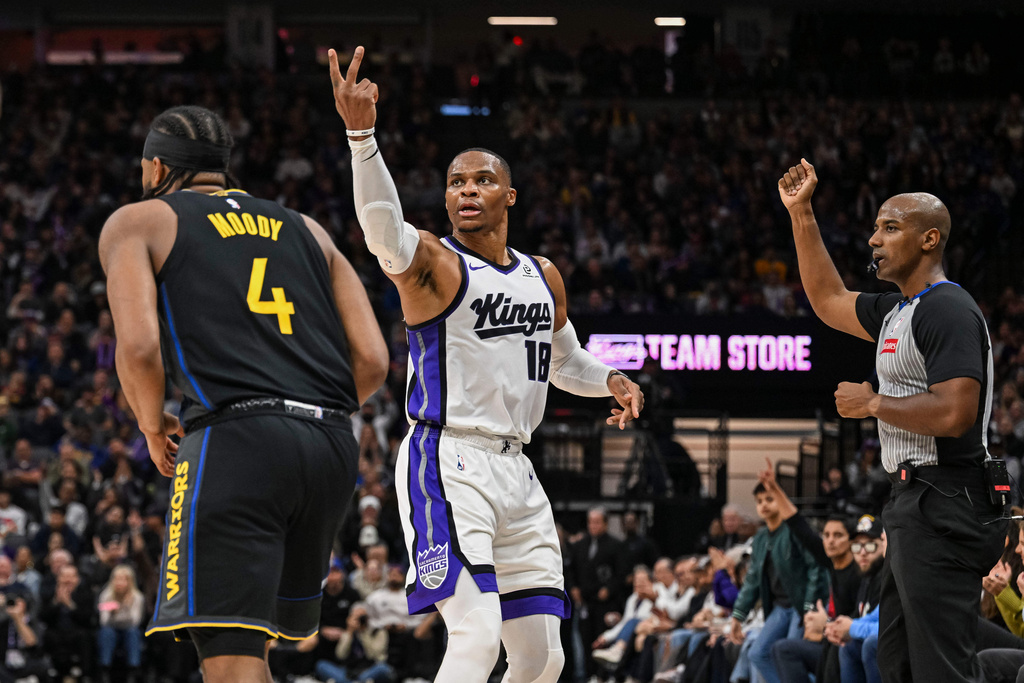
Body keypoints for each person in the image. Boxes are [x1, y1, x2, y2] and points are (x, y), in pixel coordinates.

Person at [328, 46, 645, 683]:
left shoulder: (542, 274)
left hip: (519, 471)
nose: (468, 190)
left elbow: (564, 361)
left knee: (541, 656)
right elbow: (381, 229)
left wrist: (609, 378)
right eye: (456, 182)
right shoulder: (435, 265)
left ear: (511, 195)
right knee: (474, 636)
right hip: (448, 459)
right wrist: (362, 137)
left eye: (482, 181)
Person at [98, 104, 389, 682]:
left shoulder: (139, 221)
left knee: (229, 661)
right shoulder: (308, 229)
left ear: (157, 168)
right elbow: (375, 360)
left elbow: (137, 350)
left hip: (238, 441)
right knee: (259, 649)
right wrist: (306, 415)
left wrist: (152, 426)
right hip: (330, 443)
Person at [779, 158, 1004, 682]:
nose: (874, 240)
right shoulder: (899, 309)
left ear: (929, 240)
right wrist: (802, 213)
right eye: (876, 228)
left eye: (890, 228)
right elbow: (827, 299)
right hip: (912, 502)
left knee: (940, 670)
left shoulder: (947, 309)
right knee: (898, 665)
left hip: (948, 500)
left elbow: (956, 412)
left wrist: (874, 404)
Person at [727, 480, 827, 683]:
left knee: (791, 652)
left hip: (801, 606)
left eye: (769, 499)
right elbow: (753, 579)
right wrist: (738, 615)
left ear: (781, 501)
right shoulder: (761, 538)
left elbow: (816, 568)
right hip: (780, 607)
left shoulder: (794, 531)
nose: (764, 504)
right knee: (758, 653)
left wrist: (809, 607)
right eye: (759, 501)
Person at [97, 564, 146, 683]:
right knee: (106, 632)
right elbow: (103, 622)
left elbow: (136, 622)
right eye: (117, 579)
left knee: (133, 633)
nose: (120, 582)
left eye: (124, 579)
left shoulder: (137, 597)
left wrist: (126, 608)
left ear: (130, 582)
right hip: (111, 629)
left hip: (129, 629)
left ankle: (133, 670)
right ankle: (105, 669)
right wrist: (113, 614)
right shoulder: (106, 595)